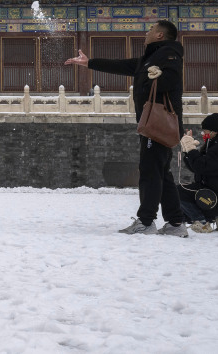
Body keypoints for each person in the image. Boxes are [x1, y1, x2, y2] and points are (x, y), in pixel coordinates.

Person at [65, 20, 187, 236]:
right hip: (153, 123)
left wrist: (153, 79)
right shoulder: (151, 57)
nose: (147, 32)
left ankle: (146, 221)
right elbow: (122, 65)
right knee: (162, 172)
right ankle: (176, 223)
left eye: (151, 29)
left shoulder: (169, 55)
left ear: (160, 35)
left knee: (150, 171)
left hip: (158, 124)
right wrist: (89, 63)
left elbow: (170, 80)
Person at [178, 113, 218, 233]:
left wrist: (191, 148)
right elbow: (196, 167)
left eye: (204, 131)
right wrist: (188, 151)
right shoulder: (215, 146)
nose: (203, 134)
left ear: (214, 131)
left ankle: (201, 222)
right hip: (217, 195)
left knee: (177, 192)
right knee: (181, 195)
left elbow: (200, 166)